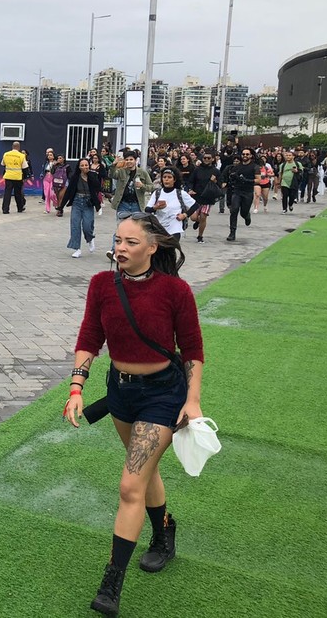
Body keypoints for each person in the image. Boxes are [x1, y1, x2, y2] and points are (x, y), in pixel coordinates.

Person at [65, 213, 204, 617]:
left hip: (162, 394)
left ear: (151, 247)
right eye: (117, 240)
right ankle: (164, 533)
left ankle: (111, 585)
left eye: (130, 242)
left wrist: (191, 401)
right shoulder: (101, 285)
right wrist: (77, 387)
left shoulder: (175, 290)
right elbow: (90, 335)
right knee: (144, 472)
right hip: (120, 393)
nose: (120, 248)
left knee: (130, 485)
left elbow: (192, 349)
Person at [61, 158, 102, 259]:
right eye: (82, 165)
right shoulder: (75, 177)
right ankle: (77, 249)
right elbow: (69, 191)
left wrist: (89, 175)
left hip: (88, 202)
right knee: (75, 225)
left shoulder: (93, 175)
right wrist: (61, 206)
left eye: (86, 165)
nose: (84, 167)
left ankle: (90, 238)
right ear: (79, 167)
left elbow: (98, 187)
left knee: (87, 226)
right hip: (77, 201)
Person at [146, 168, 196, 240]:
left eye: (169, 177)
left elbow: (195, 205)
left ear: (174, 180)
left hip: (175, 227)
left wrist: (185, 215)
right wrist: (155, 207)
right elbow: (147, 209)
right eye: (164, 177)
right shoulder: (157, 193)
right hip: (160, 227)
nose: (166, 179)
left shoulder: (180, 193)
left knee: (171, 248)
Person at [187, 152, 219, 244]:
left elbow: (220, 183)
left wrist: (215, 181)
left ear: (212, 159)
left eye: (209, 158)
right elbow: (191, 181)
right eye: (205, 158)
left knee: (203, 217)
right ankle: (198, 221)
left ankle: (200, 236)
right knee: (193, 217)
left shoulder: (215, 171)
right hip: (196, 196)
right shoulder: (197, 170)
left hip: (208, 197)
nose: (206, 160)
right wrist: (190, 189)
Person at [226, 147, 258, 241]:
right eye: (243, 154)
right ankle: (232, 232)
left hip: (248, 192)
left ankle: (246, 216)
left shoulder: (254, 166)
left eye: (247, 154)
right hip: (237, 191)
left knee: (243, 212)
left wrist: (247, 180)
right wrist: (233, 177)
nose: (245, 156)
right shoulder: (237, 166)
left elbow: (258, 179)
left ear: (251, 156)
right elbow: (231, 176)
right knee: (234, 210)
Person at [1, 141, 27, 214]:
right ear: (18, 147)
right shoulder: (21, 156)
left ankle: (5, 209)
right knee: (18, 193)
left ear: (12, 147)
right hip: (17, 177)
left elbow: (3, 164)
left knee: (7, 193)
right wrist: (24, 177)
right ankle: (20, 208)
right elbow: (24, 167)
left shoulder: (6, 154)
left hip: (8, 176)